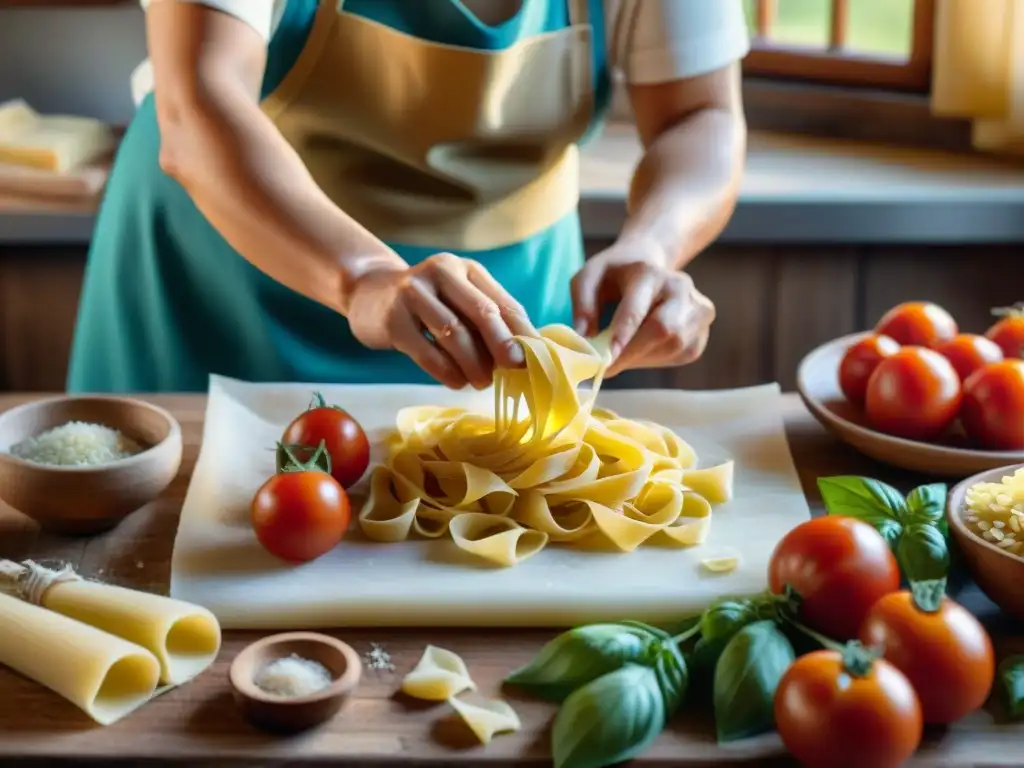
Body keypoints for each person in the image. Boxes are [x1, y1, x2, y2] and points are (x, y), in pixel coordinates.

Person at [66, 0, 748, 393]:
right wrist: (366, 278)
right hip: (222, 291)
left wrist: (654, 244)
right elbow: (197, 105)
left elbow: (701, 117)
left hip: (503, 316)